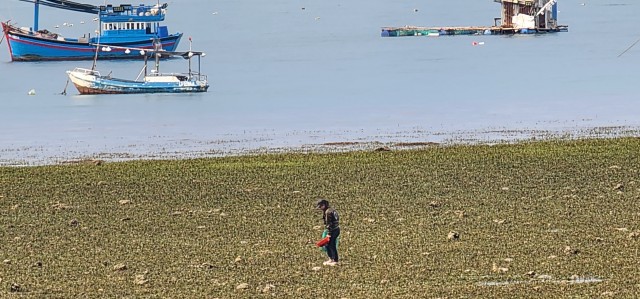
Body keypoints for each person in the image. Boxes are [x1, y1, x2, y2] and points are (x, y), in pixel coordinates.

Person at [316, 199, 340, 266]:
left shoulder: (327, 212)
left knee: (330, 245)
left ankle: (334, 260)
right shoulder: (331, 210)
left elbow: (329, 224)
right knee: (330, 245)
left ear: (324, 205)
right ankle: (332, 259)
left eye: (320, 207)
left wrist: (329, 234)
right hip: (336, 229)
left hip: (333, 230)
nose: (320, 208)